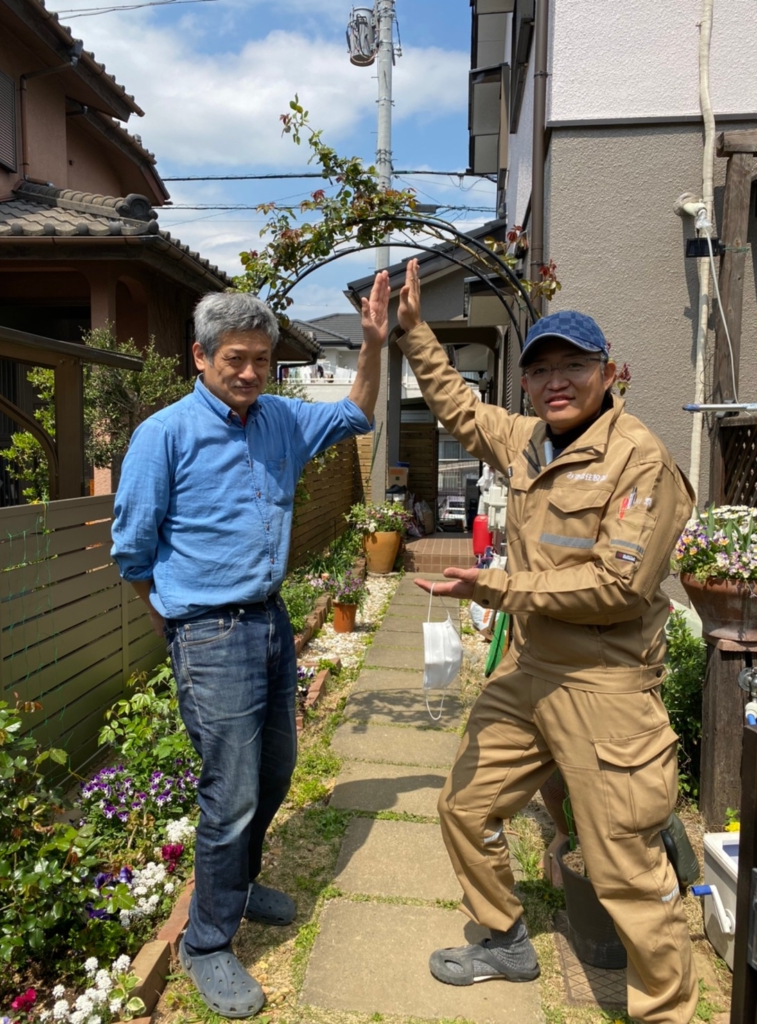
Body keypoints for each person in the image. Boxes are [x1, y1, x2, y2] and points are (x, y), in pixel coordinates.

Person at [394, 259, 697, 1024]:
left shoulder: (640, 458)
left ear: (606, 373)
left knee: (623, 867)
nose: (555, 380)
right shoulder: (529, 441)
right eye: (540, 370)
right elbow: (460, 408)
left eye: (572, 365)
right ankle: (503, 938)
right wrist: (412, 332)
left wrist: (493, 585)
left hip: (604, 683)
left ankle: (666, 1010)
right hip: (531, 670)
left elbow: (618, 586)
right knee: (465, 806)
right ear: (526, 384)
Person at [110, 274, 390, 1018]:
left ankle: (235, 885)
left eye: (262, 360)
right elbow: (133, 554)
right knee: (228, 792)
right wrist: (178, 626)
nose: (250, 372)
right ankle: (205, 942)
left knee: (274, 771)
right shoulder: (163, 435)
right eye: (236, 358)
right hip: (208, 632)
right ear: (199, 357)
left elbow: (358, 410)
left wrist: (372, 343)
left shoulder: (281, 423)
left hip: (268, 622)